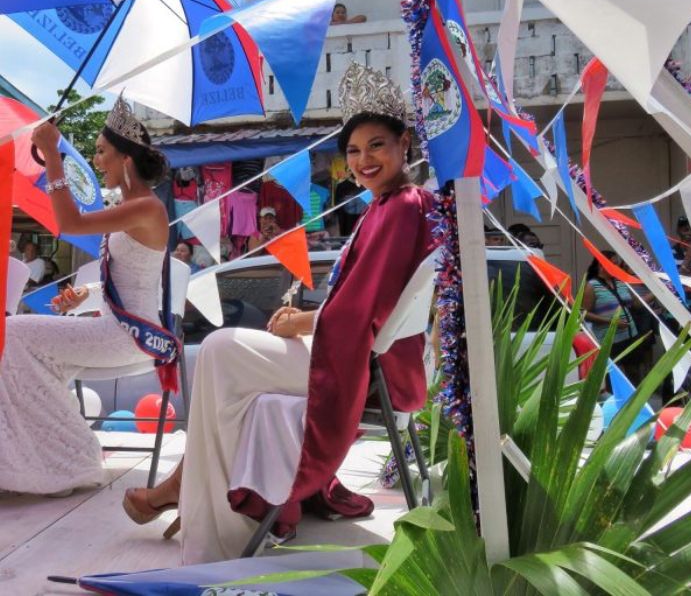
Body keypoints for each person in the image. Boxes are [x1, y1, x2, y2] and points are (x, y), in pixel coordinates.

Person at [123, 62, 436, 564]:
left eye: (376, 145)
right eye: (353, 151)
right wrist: (311, 316)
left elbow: (366, 308)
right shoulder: (388, 206)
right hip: (364, 353)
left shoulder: (401, 207)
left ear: (404, 144)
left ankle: (210, 523)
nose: (363, 160)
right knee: (236, 379)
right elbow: (361, 299)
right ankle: (202, 501)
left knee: (222, 348)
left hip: (369, 367)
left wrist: (306, 321)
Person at [0, 95, 175, 496]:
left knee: (13, 335)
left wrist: (53, 156)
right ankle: (46, 459)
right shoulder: (134, 207)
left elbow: (68, 222)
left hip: (131, 336)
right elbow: (135, 279)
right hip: (117, 329)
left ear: (126, 159)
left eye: (101, 152)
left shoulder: (146, 208)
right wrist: (88, 294)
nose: (97, 162)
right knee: (20, 345)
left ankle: (71, 458)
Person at [582, 251, 654, 387]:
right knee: (610, 376)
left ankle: (635, 403)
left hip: (630, 335)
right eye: (614, 264)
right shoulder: (592, 286)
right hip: (608, 339)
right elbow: (583, 313)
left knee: (634, 373)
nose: (617, 267)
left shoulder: (621, 282)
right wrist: (612, 322)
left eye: (618, 264)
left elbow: (636, 304)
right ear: (602, 265)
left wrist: (657, 293)